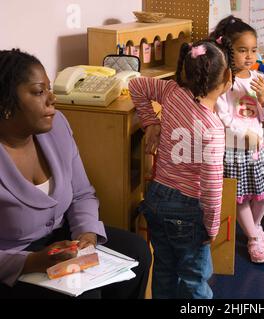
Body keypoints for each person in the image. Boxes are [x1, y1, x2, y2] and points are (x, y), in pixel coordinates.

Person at [0, 49, 151, 299]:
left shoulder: (56, 125)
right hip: (15, 257)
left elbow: (82, 194)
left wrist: (86, 234)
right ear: (5, 105)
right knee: (85, 295)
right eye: (39, 92)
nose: (52, 99)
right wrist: (32, 262)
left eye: (50, 88)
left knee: (136, 253)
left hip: (60, 239)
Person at [129, 39, 232, 298]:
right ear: (228, 79)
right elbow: (211, 186)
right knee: (194, 278)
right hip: (187, 210)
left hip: (156, 198)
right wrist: (211, 228)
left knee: (164, 268)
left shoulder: (172, 92)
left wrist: (150, 123)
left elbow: (136, 85)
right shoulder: (213, 129)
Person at [209, 16, 264, 264]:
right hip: (233, 149)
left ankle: (256, 226)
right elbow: (223, 118)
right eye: (241, 50)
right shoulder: (223, 80)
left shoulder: (261, 79)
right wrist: (243, 135)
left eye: (253, 50)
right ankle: (253, 238)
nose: (249, 56)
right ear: (229, 51)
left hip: (257, 150)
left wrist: (262, 98)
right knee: (240, 197)